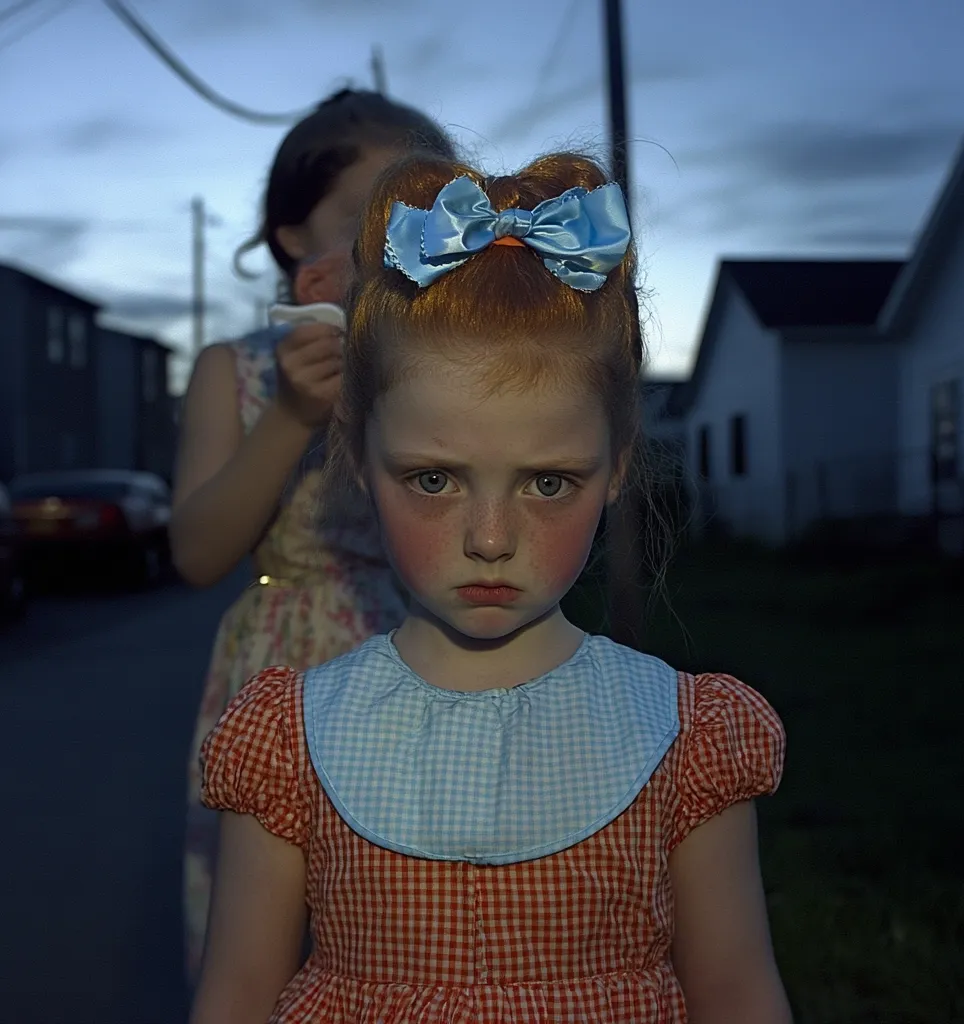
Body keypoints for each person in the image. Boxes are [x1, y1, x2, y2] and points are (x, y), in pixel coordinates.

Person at [190, 151, 792, 1023]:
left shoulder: (684, 738)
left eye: (548, 482)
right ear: (358, 457)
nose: (490, 539)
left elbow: (737, 993)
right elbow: (237, 995)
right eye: (433, 480)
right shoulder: (291, 741)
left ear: (618, 466)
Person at [172, 89, 457, 982]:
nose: (392, 237)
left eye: (423, 213)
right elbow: (198, 552)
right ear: (295, 242)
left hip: (430, 666)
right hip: (282, 673)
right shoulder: (240, 370)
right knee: (270, 943)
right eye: (365, 216)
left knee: (418, 937)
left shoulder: (452, 364)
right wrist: (294, 414)